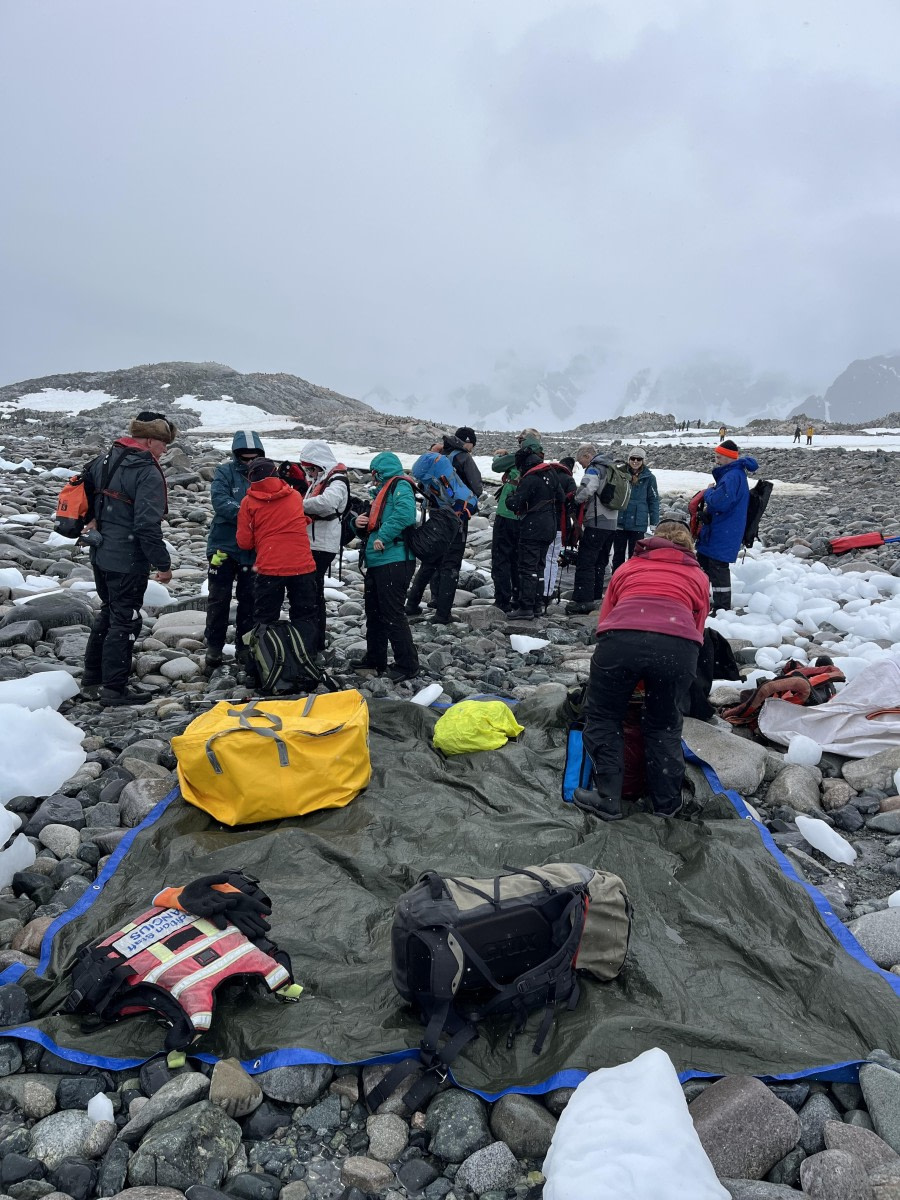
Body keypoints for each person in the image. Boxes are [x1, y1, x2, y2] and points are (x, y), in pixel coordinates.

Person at [572, 517, 710, 821]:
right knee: (664, 726)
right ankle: (667, 804)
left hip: (622, 639)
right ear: (688, 546)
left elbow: (606, 616)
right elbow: (698, 628)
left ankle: (608, 797)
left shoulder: (630, 566)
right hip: (678, 645)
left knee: (604, 717)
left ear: (653, 540)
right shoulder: (697, 575)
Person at [81, 411, 176, 706]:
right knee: (125, 621)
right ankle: (114, 689)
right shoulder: (145, 469)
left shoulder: (104, 459)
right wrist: (162, 564)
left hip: (100, 553)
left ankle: (93, 678)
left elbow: (82, 491)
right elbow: (146, 525)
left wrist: (93, 520)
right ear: (149, 440)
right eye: (162, 444)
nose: (165, 451)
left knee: (109, 613)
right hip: (126, 557)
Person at [236, 458, 319, 652]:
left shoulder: (248, 503)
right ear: (275, 473)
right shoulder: (295, 497)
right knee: (304, 616)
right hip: (302, 565)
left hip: (270, 566)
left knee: (265, 618)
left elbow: (244, 542)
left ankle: (263, 665)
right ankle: (306, 660)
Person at [353, 452, 420, 682]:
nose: (373, 477)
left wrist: (384, 535)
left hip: (395, 559)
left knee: (392, 613)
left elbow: (405, 514)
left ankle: (407, 664)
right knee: (375, 612)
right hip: (379, 560)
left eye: (375, 472)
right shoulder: (383, 491)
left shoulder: (400, 486)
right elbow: (378, 522)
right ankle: (375, 658)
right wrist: (357, 523)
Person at [405, 427, 483, 624]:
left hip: (435, 514)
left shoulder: (439, 456)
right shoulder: (463, 458)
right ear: (467, 442)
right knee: (451, 564)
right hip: (456, 516)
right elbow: (477, 488)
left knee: (431, 560)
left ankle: (412, 604)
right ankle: (442, 613)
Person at [204, 431, 265, 670]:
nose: (249, 462)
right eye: (245, 458)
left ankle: (244, 647)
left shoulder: (266, 474)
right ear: (236, 455)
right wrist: (251, 515)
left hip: (252, 550)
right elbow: (220, 502)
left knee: (249, 600)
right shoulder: (224, 472)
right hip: (223, 547)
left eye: (254, 458)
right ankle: (214, 649)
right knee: (218, 599)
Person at [295, 440, 349, 652]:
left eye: (311, 467)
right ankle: (313, 638)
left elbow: (327, 503)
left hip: (322, 544)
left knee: (312, 591)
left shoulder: (336, 481)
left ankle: (314, 640)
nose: (309, 472)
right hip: (316, 542)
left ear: (319, 463)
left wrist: (296, 504)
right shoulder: (323, 479)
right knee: (313, 592)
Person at [695, 439, 758, 612]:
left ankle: (722, 608)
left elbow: (719, 502)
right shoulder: (734, 474)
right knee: (706, 563)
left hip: (723, 530)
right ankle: (704, 601)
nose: (716, 459)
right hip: (723, 528)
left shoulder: (732, 476)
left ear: (728, 457)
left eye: (719, 456)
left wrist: (709, 492)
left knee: (717, 567)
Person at [505, 445, 563, 620]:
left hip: (533, 527)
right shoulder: (551, 472)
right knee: (539, 566)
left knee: (527, 568)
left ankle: (526, 607)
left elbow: (515, 504)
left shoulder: (530, 478)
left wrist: (510, 497)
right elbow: (561, 497)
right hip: (550, 526)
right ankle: (537, 606)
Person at [491, 429, 541, 612]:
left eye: (520, 439)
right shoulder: (539, 459)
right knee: (518, 559)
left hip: (507, 513)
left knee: (501, 557)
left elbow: (496, 467)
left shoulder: (519, 456)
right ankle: (520, 597)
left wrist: (498, 456)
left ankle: (502, 600)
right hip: (525, 516)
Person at [566, 444, 618, 614]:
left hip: (596, 522)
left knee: (586, 561)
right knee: (601, 561)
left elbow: (587, 489)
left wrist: (574, 500)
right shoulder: (612, 468)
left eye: (581, 462)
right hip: (612, 523)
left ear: (588, 455)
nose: (581, 466)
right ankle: (596, 596)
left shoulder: (595, 468)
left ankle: (583, 600)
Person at [612, 448, 660, 572]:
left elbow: (653, 500)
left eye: (638, 459)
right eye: (633, 458)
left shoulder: (650, 478)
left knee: (635, 555)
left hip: (638, 523)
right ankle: (616, 578)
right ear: (629, 459)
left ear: (643, 461)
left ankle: (632, 579)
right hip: (620, 520)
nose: (635, 461)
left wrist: (654, 522)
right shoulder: (620, 473)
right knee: (618, 554)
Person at [543, 456, 576, 603]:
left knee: (540, 557)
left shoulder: (546, 475)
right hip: (558, 525)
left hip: (541, 522)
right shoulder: (568, 480)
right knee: (552, 558)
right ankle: (547, 592)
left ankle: (536, 589)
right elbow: (573, 503)